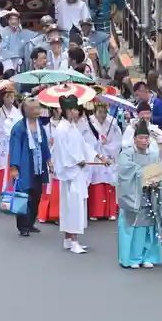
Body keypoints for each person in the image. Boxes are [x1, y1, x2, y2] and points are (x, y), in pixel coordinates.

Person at [52, 95, 110, 254]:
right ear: (68, 111)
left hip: (76, 171)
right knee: (73, 206)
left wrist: (98, 156)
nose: (78, 112)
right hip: (71, 171)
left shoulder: (72, 127)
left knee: (73, 205)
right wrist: (78, 161)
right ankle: (73, 240)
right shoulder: (62, 129)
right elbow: (63, 152)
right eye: (75, 109)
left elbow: (83, 145)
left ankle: (69, 239)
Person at [117, 119, 162, 269]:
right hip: (133, 195)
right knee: (135, 227)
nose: (145, 141)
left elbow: (159, 171)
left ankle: (148, 256)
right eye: (141, 138)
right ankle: (132, 258)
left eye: (146, 138)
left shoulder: (153, 155)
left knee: (149, 226)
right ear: (134, 139)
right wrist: (144, 175)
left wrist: (156, 181)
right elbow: (125, 171)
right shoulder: (127, 154)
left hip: (149, 195)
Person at [9, 97, 53, 237]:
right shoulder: (19, 128)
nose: (38, 111)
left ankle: (30, 222)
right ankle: (22, 226)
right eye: (34, 108)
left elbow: (44, 145)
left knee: (36, 195)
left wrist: (49, 161)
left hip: (38, 166)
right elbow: (15, 148)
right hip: (25, 166)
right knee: (23, 196)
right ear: (26, 111)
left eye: (38, 108)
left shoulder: (39, 125)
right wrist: (14, 168)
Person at [87, 102, 122, 221]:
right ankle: (95, 211)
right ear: (94, 111)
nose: (102, 115)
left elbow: (118, 141)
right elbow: (87, 141)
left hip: (109, 154)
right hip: (96, 156)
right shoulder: (89, 122)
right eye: (99, 112)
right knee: (96, 183)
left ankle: (110, 211)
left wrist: (108, 146)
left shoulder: (113, 122)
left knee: (109, 182)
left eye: (105, 112)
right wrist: (98, 145)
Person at [0, 84, 22, 193]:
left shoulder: (18, 112)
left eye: (12, 96)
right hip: (2, 145)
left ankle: (14, 188)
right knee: (2, 167)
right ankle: (3, 189)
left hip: (14, 144)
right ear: (3, 98)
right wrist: (2, 133)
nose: (10, 99)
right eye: (7, 96)